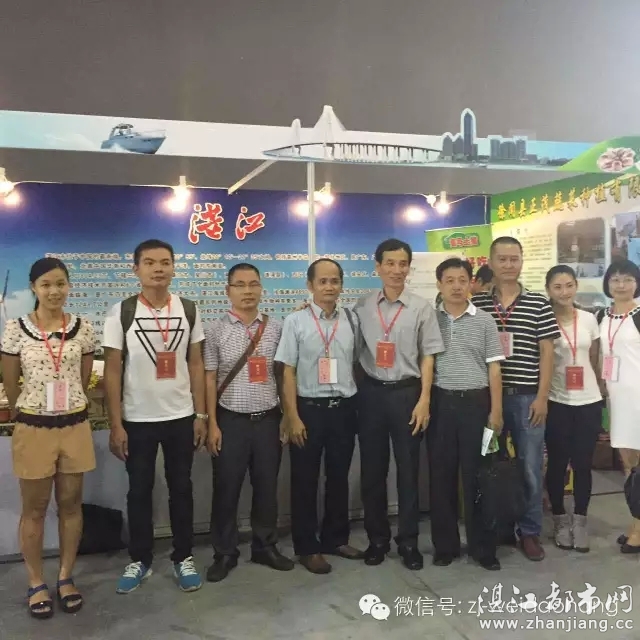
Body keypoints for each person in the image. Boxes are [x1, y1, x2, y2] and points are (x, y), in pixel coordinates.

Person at [103, 239, 207, 594]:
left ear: (174, 268)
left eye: (165, 262)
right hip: (137, 418)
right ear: (136, 269)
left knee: (182, 488)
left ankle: (183, 556)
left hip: (181, 415)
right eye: (149, 262)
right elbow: (112, 370)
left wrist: (200, 413)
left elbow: (196, 363)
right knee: (139, 491)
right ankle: (140, 559)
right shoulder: (121, 312)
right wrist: (116, 423)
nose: (158, 269)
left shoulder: (188, 309)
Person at [0, 258, 97, 618]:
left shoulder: (83, 328)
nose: (54, 291)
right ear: (34, 288)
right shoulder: (16, 328)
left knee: (71, 504)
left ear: (68, 286)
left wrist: (70, 402)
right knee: (35, 509)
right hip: (33, 427)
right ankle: (36, 581)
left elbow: (83, 378)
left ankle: (66, 576)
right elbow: (10, 381)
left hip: (75, 425)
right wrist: (26, 409)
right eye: (46, 284)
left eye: (60, 284)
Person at [354, 238, 444, 570]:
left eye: (402, 263)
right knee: (372, 471)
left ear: (409, 267)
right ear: (377, 266)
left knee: (409, 471)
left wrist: (424, 399)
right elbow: (353, 352)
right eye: (389, 263)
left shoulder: (421, 308)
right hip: (372, 394)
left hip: (408, 394)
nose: (396, 270)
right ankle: (377, 540)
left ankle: (408, 542)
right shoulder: (362, 306)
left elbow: (428, 356)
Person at [203, 263, 293, 582]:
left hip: (268, 419)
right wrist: (211, 423)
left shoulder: (277, 328)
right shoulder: (214, 330)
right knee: (226, 489)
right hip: (230, 421)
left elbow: (282, 375)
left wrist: (287, 416)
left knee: (267, 487)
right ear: (227, 290)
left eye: (253, 284)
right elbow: (210, 377)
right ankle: (225, 552)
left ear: (261, 289)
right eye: (240, 285)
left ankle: (264, 546)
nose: (247, 291)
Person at [472, 237, 560, 561]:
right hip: (487, 402)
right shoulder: (477, 304)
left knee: (530, 467)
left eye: (514, 259)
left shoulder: (538, 303)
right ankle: (498, 525)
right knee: (490, 463)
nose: (509, 265)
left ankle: (530, 531)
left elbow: (547, 353)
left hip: (527, 400)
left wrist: (542, 397)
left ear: (522, 261)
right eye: (503, 259)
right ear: (491, 262)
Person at [275, 258, 364, 574]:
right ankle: (307, 547)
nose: (329, 287)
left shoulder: (351, 320)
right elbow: (287, 370)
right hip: (308, 410)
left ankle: (335, 539)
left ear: (341, 285)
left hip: (343, 410)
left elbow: (357, 363)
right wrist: (292, 415)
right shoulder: (295, 321)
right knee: (305, 481)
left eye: (335, 281)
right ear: (310, 285)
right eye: (323, 281)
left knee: (339, 478)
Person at [428, 258, 504, 571]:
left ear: (471, 283)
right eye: (450, 280)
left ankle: (482, 548)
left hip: (477, 405)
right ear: (439, 284)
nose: (457, 286)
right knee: (441, 477)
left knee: (479, 477)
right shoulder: (430, 319)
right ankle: (445, 546)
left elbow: (494, 367)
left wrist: (495, 411)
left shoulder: (485, 320)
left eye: (462, 280)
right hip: (441, 405)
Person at [544, 265, 602, 553]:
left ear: (576, 286)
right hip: (557, 401)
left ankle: (580, 520)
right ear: (548, 290)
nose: (564, 292)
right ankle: (559, 518)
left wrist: (601, 391)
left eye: (569, 285)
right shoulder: (544, 320)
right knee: (556, 463)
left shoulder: (589, 319)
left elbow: (594, 358)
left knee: (583, 463)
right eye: (557, 286)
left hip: (588, 402)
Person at [594, 260, 640, 552]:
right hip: (616, 398)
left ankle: (638, 529)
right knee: (628, 465)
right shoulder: (601, 315)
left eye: (628, 279)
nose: (621, 285)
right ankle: (636, 521)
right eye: (615, 279)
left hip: (638, 398)